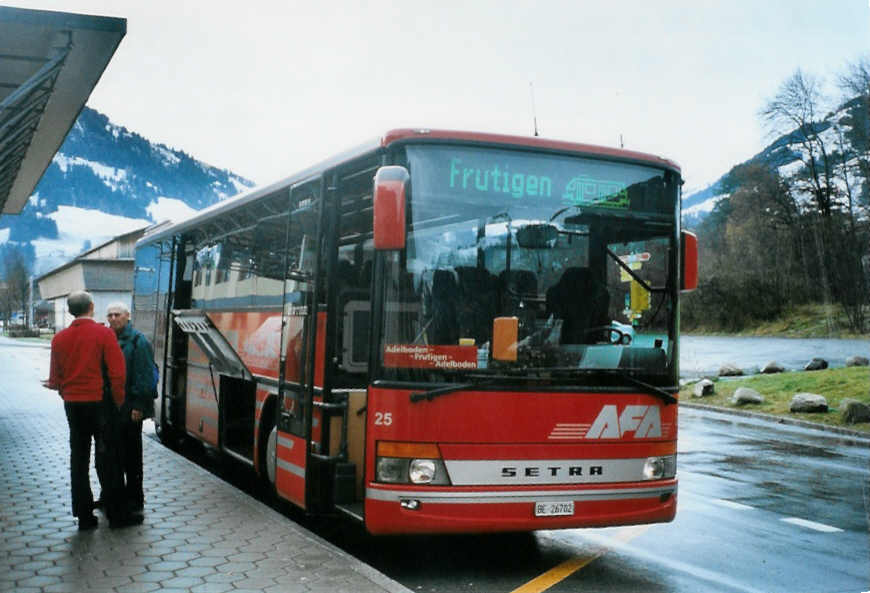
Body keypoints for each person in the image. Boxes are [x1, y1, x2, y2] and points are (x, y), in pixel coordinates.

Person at [43, 291, 126, 530]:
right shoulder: (104, 334)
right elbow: (117, 373)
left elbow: (55, 378)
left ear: (70, 311)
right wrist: (118, 402)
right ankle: (117, 514)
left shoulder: (59, 339)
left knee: (78, 458)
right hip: (99, 404)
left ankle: (84, 516)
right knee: (107, 456)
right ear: (91, 306)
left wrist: (66, 394)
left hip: (73, 405)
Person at [106, 302, 155, 516]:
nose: (113, 318)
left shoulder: (138, 341)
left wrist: (138, 406)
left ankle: (135, 498)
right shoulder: (108, 339)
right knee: (114, 455)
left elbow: (144, 376)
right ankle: (117, 496)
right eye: (110, 315)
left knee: (132, 456)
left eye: (117, 315)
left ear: (127, 316)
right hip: (111, 407)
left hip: (130, 408)